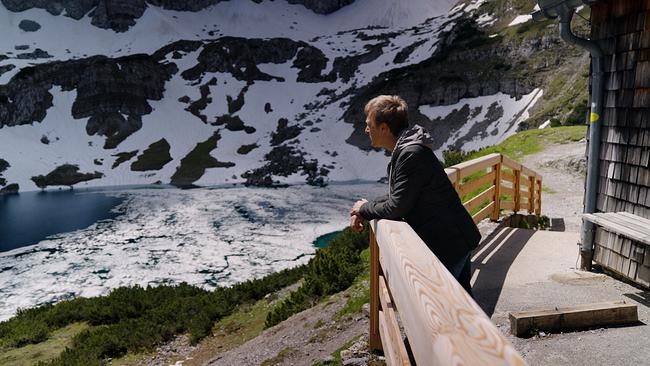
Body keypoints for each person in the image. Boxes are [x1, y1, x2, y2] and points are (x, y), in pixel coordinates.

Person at [349, 95, 480, 294]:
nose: (366, 130)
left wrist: (364, 209)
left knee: (446, 309)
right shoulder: (408, 149)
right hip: (454, 239)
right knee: (464, 305)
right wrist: (363, 209)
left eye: (369, 124)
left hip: (448, 243)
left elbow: (397, 207)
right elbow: (399, 196)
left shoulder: (411, 154)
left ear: (384, 128)